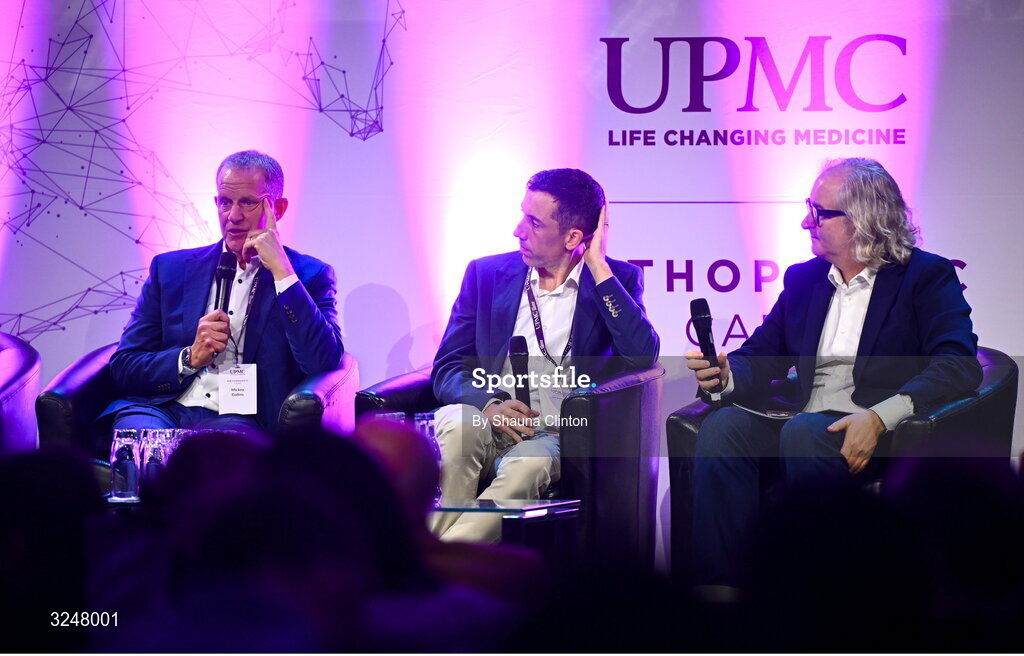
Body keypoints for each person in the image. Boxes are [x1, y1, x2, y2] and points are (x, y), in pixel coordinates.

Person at [685, 157, 982, 590]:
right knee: (724, 425)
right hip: (801, 419)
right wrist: (725, 375)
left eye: (820, 213)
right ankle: (723, 591)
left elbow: (958, 363)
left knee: (804, 432)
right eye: (810, 207)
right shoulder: (805, 279)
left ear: (863, 220)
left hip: (873, 426)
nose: (807, 221)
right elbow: (763, 353)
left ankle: (821, 595)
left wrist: (881, 417)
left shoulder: (925, 276)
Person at [430, 168, 660, 542]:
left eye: (533, 222)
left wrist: (598, 267)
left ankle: (442, 557)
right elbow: (447, 367)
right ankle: (433, 553)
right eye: (523, 215)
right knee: (457, 426)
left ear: (573, 237)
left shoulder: (616, 280)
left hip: (554, 434)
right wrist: (487, 403)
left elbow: (642, 358)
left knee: (527, 466)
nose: (518, 230)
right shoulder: (486, 274)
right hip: (486, 419)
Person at [102, 150, 343, 439]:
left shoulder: (308, 276)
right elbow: (125, 364)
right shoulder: (170, 270)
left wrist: (281, 270)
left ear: (277, 208)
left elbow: (322, 362)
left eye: (249, 203)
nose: (234, 216)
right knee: (143, 443)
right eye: (225, 202)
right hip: (161, 407)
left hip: (238, 418)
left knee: (215, 458)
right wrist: (189, 357)